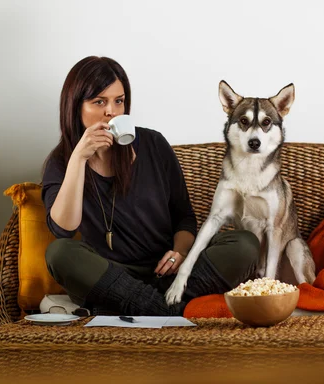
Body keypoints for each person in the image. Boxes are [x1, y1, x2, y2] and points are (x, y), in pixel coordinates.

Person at [42, 56, 260, 316]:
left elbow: (184, 218)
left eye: (119, 101)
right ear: (75, 106)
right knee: (59, 253)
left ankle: (140, 307)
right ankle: (167, 310)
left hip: (166, 272)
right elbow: (62, 229)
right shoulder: (62, 161)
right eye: (99, 102)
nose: (111, 111)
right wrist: (79, 158)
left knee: (244, 243)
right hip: (110, 278)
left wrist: (179, 253)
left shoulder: (153, 144)